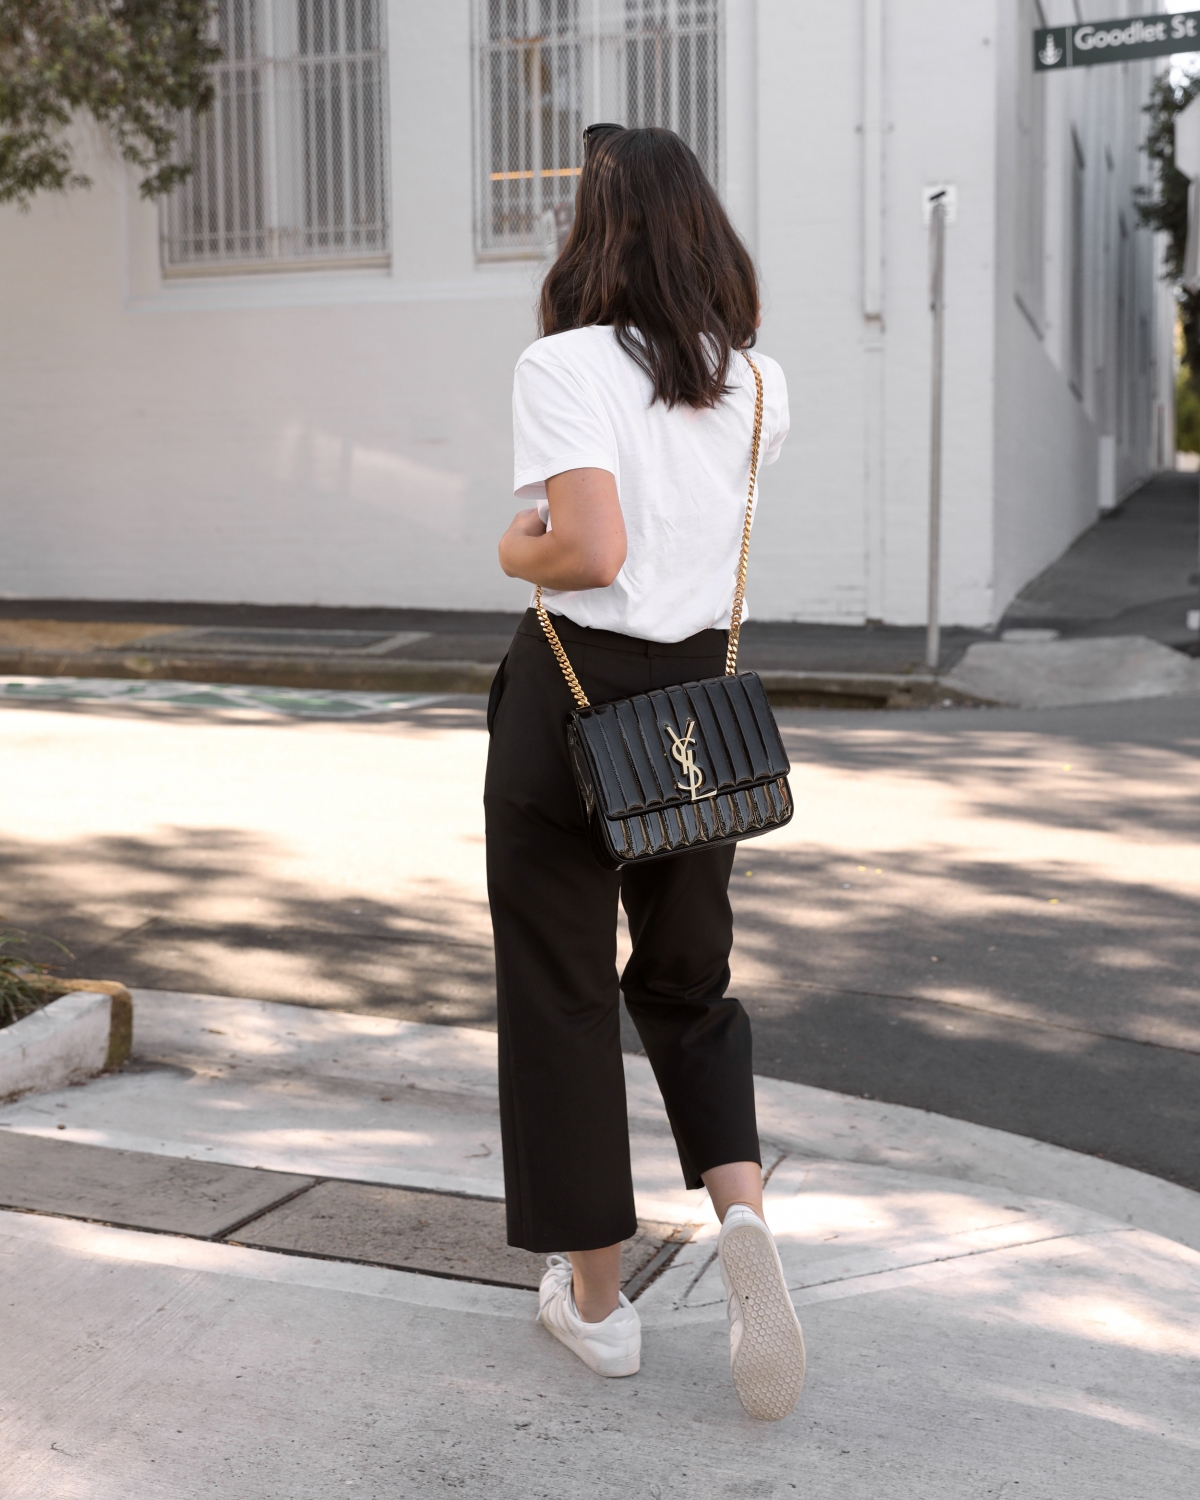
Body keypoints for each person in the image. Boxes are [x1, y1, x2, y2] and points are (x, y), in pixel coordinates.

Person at [485, 124, 806, 1422]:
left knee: (560, 993)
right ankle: (740, 1210)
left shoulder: (561, 364)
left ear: (595, 231)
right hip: (697, 706)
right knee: (688, 983)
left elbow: (590, 547)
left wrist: (514, 547)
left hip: (571, 702)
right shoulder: (760, 383)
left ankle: (602, 1310)